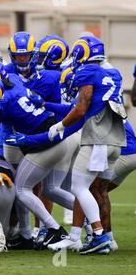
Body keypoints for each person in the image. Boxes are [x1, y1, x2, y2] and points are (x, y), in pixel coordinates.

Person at [47, 36, 127, 254]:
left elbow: (81, 108)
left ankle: (98, 235)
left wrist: (61, 125)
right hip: (115, 141)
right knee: (95, 189)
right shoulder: (113, 73)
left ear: (83, 52)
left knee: (79, 187)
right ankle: (87, 237)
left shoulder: (87, 72)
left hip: (98, 139)